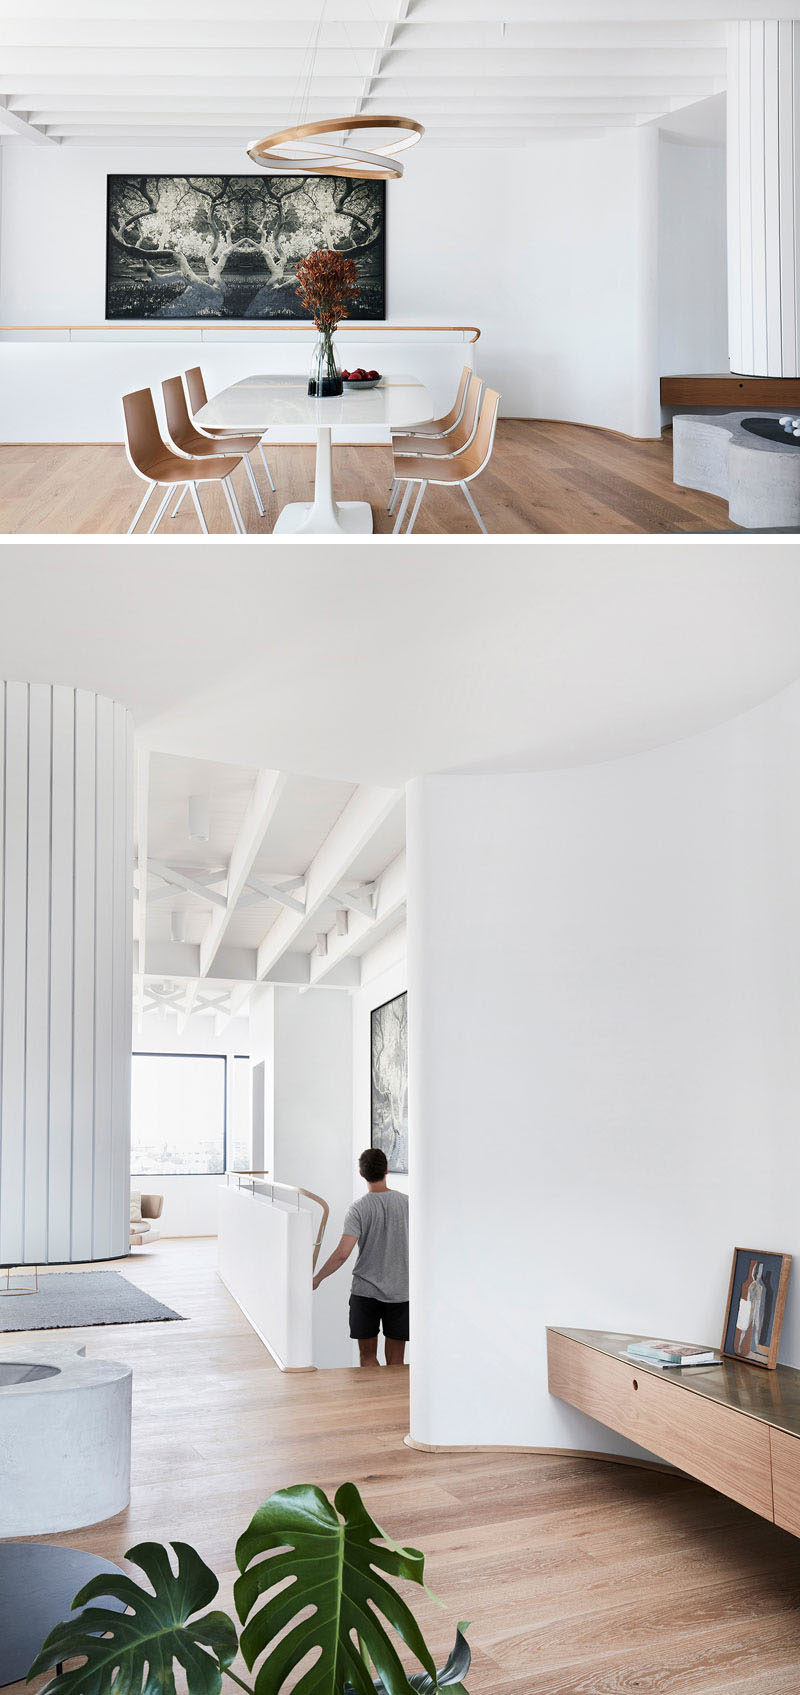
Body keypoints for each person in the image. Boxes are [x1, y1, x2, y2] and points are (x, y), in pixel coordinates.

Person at [312, 1147, 409, 1367]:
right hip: (401, 1293)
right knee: (397, 1362)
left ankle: (373, 1400)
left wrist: (318, 1278)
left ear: (361, 1174)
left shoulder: (358, 1208)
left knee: (367, 1358)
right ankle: (391, 1402)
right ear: (386, 1169)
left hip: (366, 1293)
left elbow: (342, 1254)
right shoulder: (407, 1203)